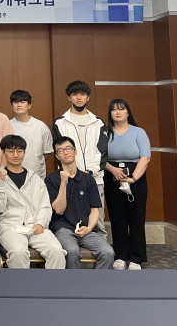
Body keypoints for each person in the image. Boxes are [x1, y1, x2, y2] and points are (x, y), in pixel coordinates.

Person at [0, 135, 65, 269]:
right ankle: (20, 283)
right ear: (3, 152)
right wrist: (0, 182)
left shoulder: (35, 178)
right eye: (10, 151)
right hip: (9, 227)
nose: (15, 155)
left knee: (56, 251)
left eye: (19, 151)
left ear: (24, 153)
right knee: (18, 252)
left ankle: (53, 283)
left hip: (35, 226)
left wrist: (40, 223)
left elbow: (45, 207)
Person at [45, 137, 114, 270]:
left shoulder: (88, 179)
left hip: (86, 228)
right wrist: (63, 183)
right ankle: (74, 283)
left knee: (108, 252)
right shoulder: (51, 179)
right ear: (57, 156)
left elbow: (95, 210)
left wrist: (89, 228)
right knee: (72, 251)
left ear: (75, 151)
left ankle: (98, 283)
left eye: (68, 148)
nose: (65, 152)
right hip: (63, 228)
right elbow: (59, 210)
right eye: (60, 150)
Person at [52, 80, 108, 237]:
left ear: (88, 97)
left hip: (95, 178)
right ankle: (72, 249)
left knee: (98, 222)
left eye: (82, 94)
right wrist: (73, 173)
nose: (79, 98)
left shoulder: (98, 123)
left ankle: (102, 249)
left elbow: (102, 152)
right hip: (68, 179)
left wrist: (89, 172)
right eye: (75, 94)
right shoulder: (60, 122)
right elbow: (59, 151)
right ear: (68, 97)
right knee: (69, 219)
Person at [104, 99, 151, 270]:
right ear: (110, 113)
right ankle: (121, 256)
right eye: (114, 109)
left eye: (121, 109)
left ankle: (137, 257)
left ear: (128, 112)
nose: (118, 112)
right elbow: (99, 157)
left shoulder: (138, 132)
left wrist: (133, 178)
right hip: (112, 177)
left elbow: (145, 157)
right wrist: (113, 170)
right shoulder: (105, 133)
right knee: (118, 219)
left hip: (135, 178)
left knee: (136, 218)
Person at [9, 89, 53, 180]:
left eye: (22, 102)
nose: (19, 105)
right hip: (12, 174)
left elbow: (48, 152)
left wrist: (36, 161)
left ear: (29, 105)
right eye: (16, 102)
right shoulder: (7, 125)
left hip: (36, 174)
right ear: (12, 105)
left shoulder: (41, 126)